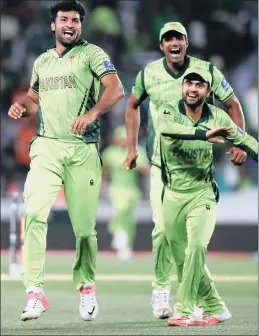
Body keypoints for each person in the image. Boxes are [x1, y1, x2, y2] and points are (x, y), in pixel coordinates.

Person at [7, 0, 124, 322]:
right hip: (46, 147)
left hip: (83, 149)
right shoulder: (42, 61)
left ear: (80, 26)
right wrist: (23, 107)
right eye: (64, 19)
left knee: (85, 230)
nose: (70, 24)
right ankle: (34, 291)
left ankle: (86, 287)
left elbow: (115, 90)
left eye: (75, 20)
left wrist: (91, 114)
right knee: (32, 213)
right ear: (53, 26)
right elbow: (34, 98)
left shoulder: (93, 54)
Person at [123, 21, 247, 319]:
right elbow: (131, 105)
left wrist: (239, 143)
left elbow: (233, 104)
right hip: (160, 166)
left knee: (191, 244)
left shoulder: (207, 71)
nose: (174, 43)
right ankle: (162, 290)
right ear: (162, 45)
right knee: (163, 231)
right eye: (168, 39)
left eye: (179, 38)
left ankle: (201, 301)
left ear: (187, 43)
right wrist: (130, 147)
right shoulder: (149, 73)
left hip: (197, 172)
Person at [156, 66, 258, 327]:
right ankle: (215, 306)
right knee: (182, 258)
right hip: (172, 194)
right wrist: (204, 134)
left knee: (197, 248)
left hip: (202, 193)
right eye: (188, 83)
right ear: (182, 87)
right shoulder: (168, 109)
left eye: (199, 85)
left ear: (207, 90)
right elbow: (167, 130)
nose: (192, 88)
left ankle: (186, 309)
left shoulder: (219, 118)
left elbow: (245, 139)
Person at [102, 126, 148, 260]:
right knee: (120, 210)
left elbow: (145, 169)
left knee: (130, 218)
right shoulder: (110, 152)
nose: (123, 141)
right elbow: (104, 169)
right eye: (121, 138)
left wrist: (135, 163)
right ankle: (119, 236)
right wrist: (103, 183)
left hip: (133, 190)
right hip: (116, 188)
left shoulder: (137, 150)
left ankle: (126, 246)